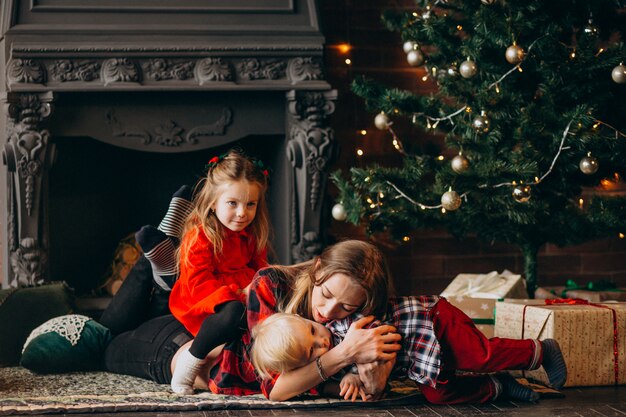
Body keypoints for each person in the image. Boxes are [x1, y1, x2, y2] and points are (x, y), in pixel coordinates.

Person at [103, 239, 403, 399]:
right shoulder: (271, 284)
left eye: (347, 307)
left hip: (192, 334)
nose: (328, 312)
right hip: (170, 349)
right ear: (317, 269)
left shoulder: (347, 325)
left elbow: (314, 382)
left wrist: (350, 382)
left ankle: (161, 285)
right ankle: (152, 261)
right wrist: (345, 354)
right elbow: (276, 386)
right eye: (325, 294)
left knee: (115, 332)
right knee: (104, 343)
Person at [250, 300, 568, 405]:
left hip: (432, 323)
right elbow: (353, 379)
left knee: (478, 355)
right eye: (312, 352)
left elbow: (369, 345)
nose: (322, 343)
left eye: (311, 332)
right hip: (421, 362)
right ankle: (497, 387)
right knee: (437, 396)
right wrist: (349, 383)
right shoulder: (326, 363)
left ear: (305, 318)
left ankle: (538, 351)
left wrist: (352, 371)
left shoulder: (339, 322)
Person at [138, 151, 271, 394]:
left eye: (250, 204)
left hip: (241, 296)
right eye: (233, 203)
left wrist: (262, 288)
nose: (242, 212)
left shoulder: (251, 235)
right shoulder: (201, 236)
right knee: (235, 311)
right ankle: (191, 359)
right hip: (204, 301)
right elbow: (198, 284)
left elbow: (260, 270)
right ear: (213, 202)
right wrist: (241, 292)